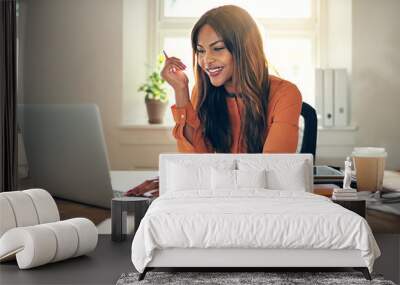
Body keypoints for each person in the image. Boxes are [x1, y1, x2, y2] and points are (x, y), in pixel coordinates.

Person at [161, 5, 302, 154]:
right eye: (201, 51)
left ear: (245, 48)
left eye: (218, 48)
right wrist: (181, 90)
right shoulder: (202, 92)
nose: (206, 60)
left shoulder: (285, 94)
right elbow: (195, 162)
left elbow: (274, 168)